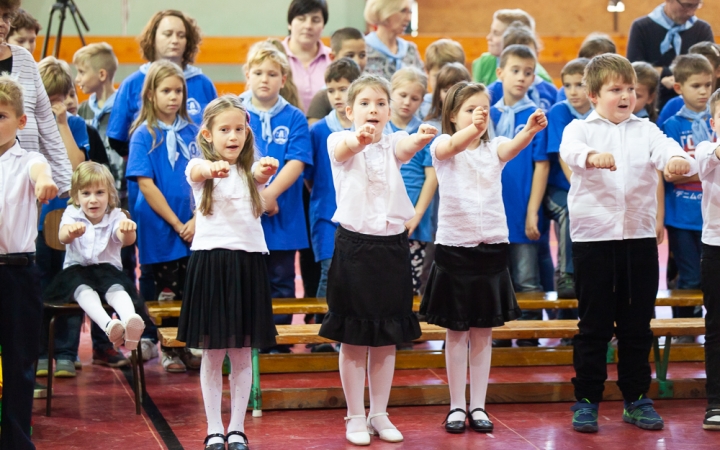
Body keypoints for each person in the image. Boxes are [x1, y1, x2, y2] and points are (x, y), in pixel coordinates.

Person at [560, 53, 697, 433]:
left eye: (631, 90)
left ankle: (636, 398)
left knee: (637, 325)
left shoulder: (645, 129)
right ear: (593, 95)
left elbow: (667, 147)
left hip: (637, 239)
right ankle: (586, 399)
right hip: (594, 241)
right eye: (615, 90)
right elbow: (569, 152)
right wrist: (591, 156)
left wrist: (675, 161)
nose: (625, 97)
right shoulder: (580, 129)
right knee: (594, 326)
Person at [422, 81, 545, 434]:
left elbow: (513, 146)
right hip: (455, 249)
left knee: (482, 333)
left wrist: (529, 130)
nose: (480, 114)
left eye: (484, 108)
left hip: (491, 247)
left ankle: (478, 404)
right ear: (452, 116)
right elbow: (451, 146)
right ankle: (456, 405)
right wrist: (473, 129)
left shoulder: (494, 148)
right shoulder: (442, 146)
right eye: (470, 109)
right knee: (456, 333)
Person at [319, 74, 435, 445]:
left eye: (380, 104)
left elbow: (406, 148)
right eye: (366, 103)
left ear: (388, 111)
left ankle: (379, 413)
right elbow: (345, 150)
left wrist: (421, 137)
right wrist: (360, 138)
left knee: (386, 337)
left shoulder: (392, 144)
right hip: (354, 248)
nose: (374, 110)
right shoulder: (338, 138)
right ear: (349, 110)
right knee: (353, 338)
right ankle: (354, 415)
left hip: (391, 248)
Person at [177, 95, 280, 450]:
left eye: (238, 129)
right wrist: (211, 169)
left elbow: (258, 177)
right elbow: (196, 171)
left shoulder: (249, 173)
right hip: (212, 266)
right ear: (207, 134)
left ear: (247, 132)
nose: (232, 135)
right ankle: (213, 428)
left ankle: (237, 427)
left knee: (242, 353)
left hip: (246, 265)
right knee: (213, 353)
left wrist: (265, 171)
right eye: (224, 130)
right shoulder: (199, 169)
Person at [125, 60, 200, 372]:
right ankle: (165, 346)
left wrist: (196, 220)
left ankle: (184, 345)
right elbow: (146, 183)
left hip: (192, 221)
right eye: (166, 90)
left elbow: (205, 179)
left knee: (188, 284)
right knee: (162, 286)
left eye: (178, 91)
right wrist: (176, 222)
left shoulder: (196, 131)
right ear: (151, 95)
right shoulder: (144, 134)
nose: (173, 97)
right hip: (160, 223)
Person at [240, 42, 312, 352]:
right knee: (247, 278)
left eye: (272, 73)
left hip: (284, 214)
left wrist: (269, 195)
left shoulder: (294, 116)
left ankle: (278, 340)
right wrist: (256, 196)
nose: (264, 79)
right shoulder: (235, 111)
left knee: (282, 279)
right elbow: (229, 157)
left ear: (284, 78)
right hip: (243, 213)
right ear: (247, 74)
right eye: (258, 72)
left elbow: (297, 161)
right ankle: (249, 338)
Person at [0, 74, 58, 450]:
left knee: (21, 363)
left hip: (16, 274)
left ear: (21, 121)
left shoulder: (29, 160)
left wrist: (45, 183)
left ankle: (17, 440)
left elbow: (42, 172)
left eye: (1, 115)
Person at [44, 162, 145, 349]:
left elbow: (125, 239)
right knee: (83, 290)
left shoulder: (116, 215)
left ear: (110, 195)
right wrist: (70, 232)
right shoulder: (71, 213)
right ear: (76, 196)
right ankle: (109, 325)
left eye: (100, 193)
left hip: (107, 271)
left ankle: (131, 320)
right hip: (77, 271)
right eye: (86, 193)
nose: (93, 200)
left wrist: (128, 230)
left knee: (117, 289)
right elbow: (62, 236)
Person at [489, 44, 549, 347]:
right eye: (515, 70)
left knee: (527, 278)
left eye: (528, 72)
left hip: (522, 207)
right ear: (500, 73)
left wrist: (531, 211)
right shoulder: (484, 114)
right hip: (492, 212)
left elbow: (541, 166)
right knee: (497, 277)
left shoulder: (537, 116)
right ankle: (499, 335)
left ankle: (528, 337)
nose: (521, 78)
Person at [34, 56, 89, 379]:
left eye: (62, 97)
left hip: (71, 218)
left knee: (71, 282)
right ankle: (41, 352)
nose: (57, 105)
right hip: (39, 220)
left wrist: (63, 124)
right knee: (40, 284)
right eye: (50, 98)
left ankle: (67, 352)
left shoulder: (76, 124)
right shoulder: (28, 123)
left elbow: (75, 168)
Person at [661, 54, 715, 338]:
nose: (704, 91)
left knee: (710, 279)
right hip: (682, 217)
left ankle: (706, 328)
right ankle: (683, 330)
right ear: (679, 88)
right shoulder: (671, 125)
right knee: (690, 277)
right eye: (696, 85)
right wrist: (705, 170)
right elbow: (670, 173)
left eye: (708, 84)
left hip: (712, 217)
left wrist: (694, 169)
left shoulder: (716, 122)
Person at [306, 58, 361, 335]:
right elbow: (309, 176)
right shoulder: (317, 131)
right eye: (331, 90)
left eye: (343, 88)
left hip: (359, 217)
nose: (338, 96)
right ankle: (321, 333)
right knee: (329, 273)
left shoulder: (366, 131)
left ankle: (347, 332)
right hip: (326, 215)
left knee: (355, 277)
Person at [0, 0, 72, 197]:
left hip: (25, 185)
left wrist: (66, 184)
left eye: (6, 16)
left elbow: (47, 127)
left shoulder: (24, 60)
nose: (2, 23)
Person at [545, 58, 593, 302]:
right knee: (569, 209)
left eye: (579, 85)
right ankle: (566, 274)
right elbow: (563, 155)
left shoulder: (600, 112)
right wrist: (579, 187)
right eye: (567, 86)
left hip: (593, 186)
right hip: (560, 187)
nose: (572, 91)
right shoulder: (559, 111)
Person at [387, 67, 437, 295]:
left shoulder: (425, 131)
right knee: (382, 282)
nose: (407, 102)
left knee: (411, 284)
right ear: (391, 93)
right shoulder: (380, 128)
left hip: (413, 221)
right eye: (402, 95)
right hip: (382, 218)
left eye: (415, 98)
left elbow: (431, 178)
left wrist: (416, 215)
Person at [627, 0, 714, 109]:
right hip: (652, 104)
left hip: (694, 103)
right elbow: (635, 71)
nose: (691, 12)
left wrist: (661, 71)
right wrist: (683, 73)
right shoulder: (641, 27)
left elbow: (708, 69)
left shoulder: (702, 29)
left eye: (696, 6)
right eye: (686, 5)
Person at [696, 87, 720, 430]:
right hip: (716, 246)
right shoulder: (705, 149)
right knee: (716, 327)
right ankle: (716, 401)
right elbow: (710, 158)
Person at [471, 9, 552, 86]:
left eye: (496, 33)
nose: (488, 37)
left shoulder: (542, 79)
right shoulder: (483, 62)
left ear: (513, 38)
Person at [487, 24, 558, 113]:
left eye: (528, 52)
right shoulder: (490, 94)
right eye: (516, 52)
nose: (521, 77)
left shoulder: (550, 92)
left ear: (537, 53)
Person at [306, 27, 367, 125]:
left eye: (362, 55)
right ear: (333, 57)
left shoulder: (372, 90)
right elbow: (315, 133)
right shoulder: (322, 98)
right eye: (350, 55)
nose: (357, 61)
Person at [282, 0, 331, 112]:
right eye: (301, 19)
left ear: (323, 25)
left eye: (315, 20)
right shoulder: (273, 56)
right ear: (289, 23)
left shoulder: (334, 59)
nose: (308, 26)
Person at [658, 42, 720, 126]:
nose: (702, 91)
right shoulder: (674, 105)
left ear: (718, 71)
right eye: (693, 67)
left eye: (705, 66)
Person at [363, 0, 423, 80]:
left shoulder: (410, 49)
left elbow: (422, 85)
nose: (408, 18)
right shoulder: (363, 48)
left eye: (410, 12)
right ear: (385, 12)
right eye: (403, 11)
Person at [417, 38, 465, 120]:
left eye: (451, 79)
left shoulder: (468, 106)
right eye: (437, 76)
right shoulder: (419, 106)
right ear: (427, 71)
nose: (443, 83)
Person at [423, 62, 472, 130]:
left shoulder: (478, 119)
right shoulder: (431, 126)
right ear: (439, 94)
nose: (452, 95)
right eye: (446, 91)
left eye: (459, 89)